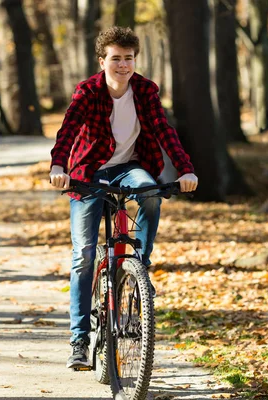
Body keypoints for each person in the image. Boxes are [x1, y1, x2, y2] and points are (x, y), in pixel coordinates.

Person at [49, 26, 199, 369]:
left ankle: (139, 266)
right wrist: (59, 165)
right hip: (89, 172)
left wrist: (185, 169)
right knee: (83, 256)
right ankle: (79, 340)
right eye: (115, 59)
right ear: (102, 61)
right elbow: (68, 129)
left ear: (135, 61)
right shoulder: (87, 91)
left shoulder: (145, 90)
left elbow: (164, 130)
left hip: (131, 167)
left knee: (150, 195)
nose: (122, 65)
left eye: (128, 59)